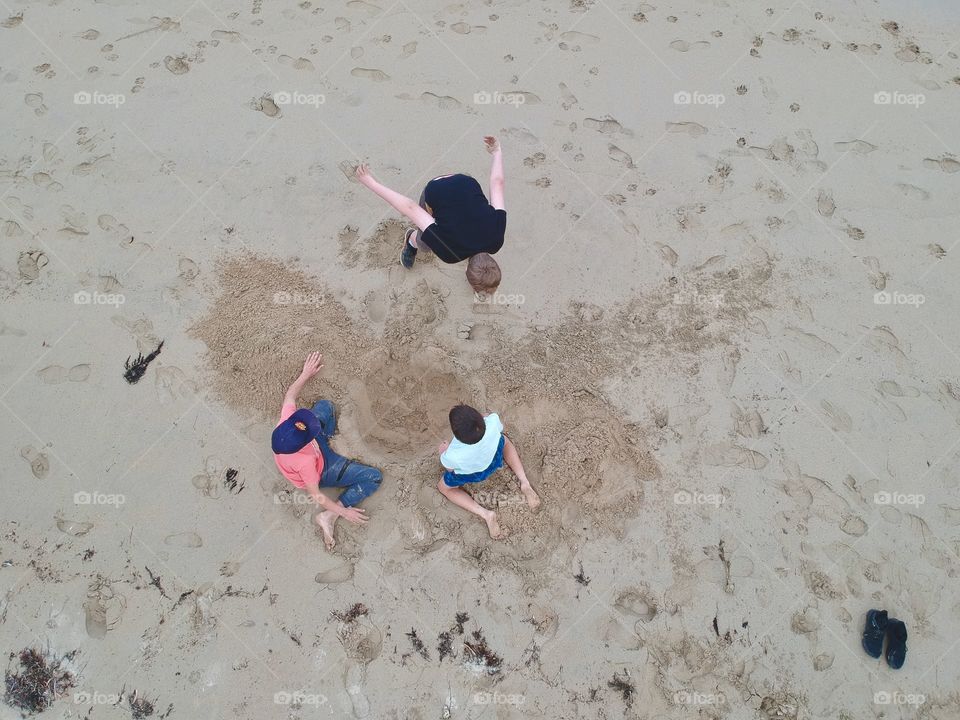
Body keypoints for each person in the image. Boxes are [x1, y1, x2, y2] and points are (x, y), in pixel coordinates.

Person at [354, 136, 506, 293]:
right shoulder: (449, 253)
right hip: (437, 188)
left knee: (447, 223)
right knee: (424, 244)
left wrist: (496, 151)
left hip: (466, 182)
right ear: (466, 270)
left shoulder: (497, 238)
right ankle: (410, 240)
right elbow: (410, 208)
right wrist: (371, 183)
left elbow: (497, 184)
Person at [272, 351, 382, 549]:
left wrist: (305, 374)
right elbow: (316, 495)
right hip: (322, 468)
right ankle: (328, 516)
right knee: (373, 477)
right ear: (303, 443)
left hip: (314, 447)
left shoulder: (284, 423)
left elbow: (290, 395)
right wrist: (345, 512)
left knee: (326, 407)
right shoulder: (305, 464)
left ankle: (329, 439)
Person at [436, 404, 540, 539]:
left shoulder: (453, 454)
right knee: (505, 441)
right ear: (480, 417)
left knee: (444, 488)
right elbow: (494, 424)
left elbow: (450, 468)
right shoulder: (492, 421)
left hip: (474, 474)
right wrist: (486, 418)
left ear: (456, 435)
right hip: (494, 459)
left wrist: (443, 451)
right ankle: (524, 482)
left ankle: (485, 514)